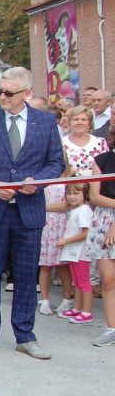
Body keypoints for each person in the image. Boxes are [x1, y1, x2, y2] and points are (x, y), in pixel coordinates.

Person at [0, 66, 65, 359]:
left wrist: (37, 181)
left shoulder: (45, 122)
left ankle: (25, 335)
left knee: (26, 275)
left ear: (27, 93)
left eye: (8, 92)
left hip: (28, 211)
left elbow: (57, 162)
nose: (2, 96)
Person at [85, 148, 115, 346]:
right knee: (108, 280)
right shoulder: (103, 159)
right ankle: (111, 328)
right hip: (104, 221)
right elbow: (94, 196)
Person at [38, 156, 74, 316]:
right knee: (45, 264)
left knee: (63, 265)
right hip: (45, 225)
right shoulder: (42, 176)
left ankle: (67, 299)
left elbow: (66, 204)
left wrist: (42, 207)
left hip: (63, 225)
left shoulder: (69, 178)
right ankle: (44, 300)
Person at [55, 182, 93, 324]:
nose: (71, 197)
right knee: (77, 282)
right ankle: (78, 308)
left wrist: (66, 240)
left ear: (85, 194)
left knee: (84, 283)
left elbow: (86, 233)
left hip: (81, 252)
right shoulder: (74, 210)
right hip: (73, 252)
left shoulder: (84, 210)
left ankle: (87, 312)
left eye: (76, 193)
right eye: (69, 193)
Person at [63, 105, 109, 174]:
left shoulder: (100, 142)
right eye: (75, 119)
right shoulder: (60, 143)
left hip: (96, 183)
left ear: (89, 123)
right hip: (69, 183)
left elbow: (107, 167)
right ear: (69, 123)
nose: (79, 123)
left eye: (84, 120)